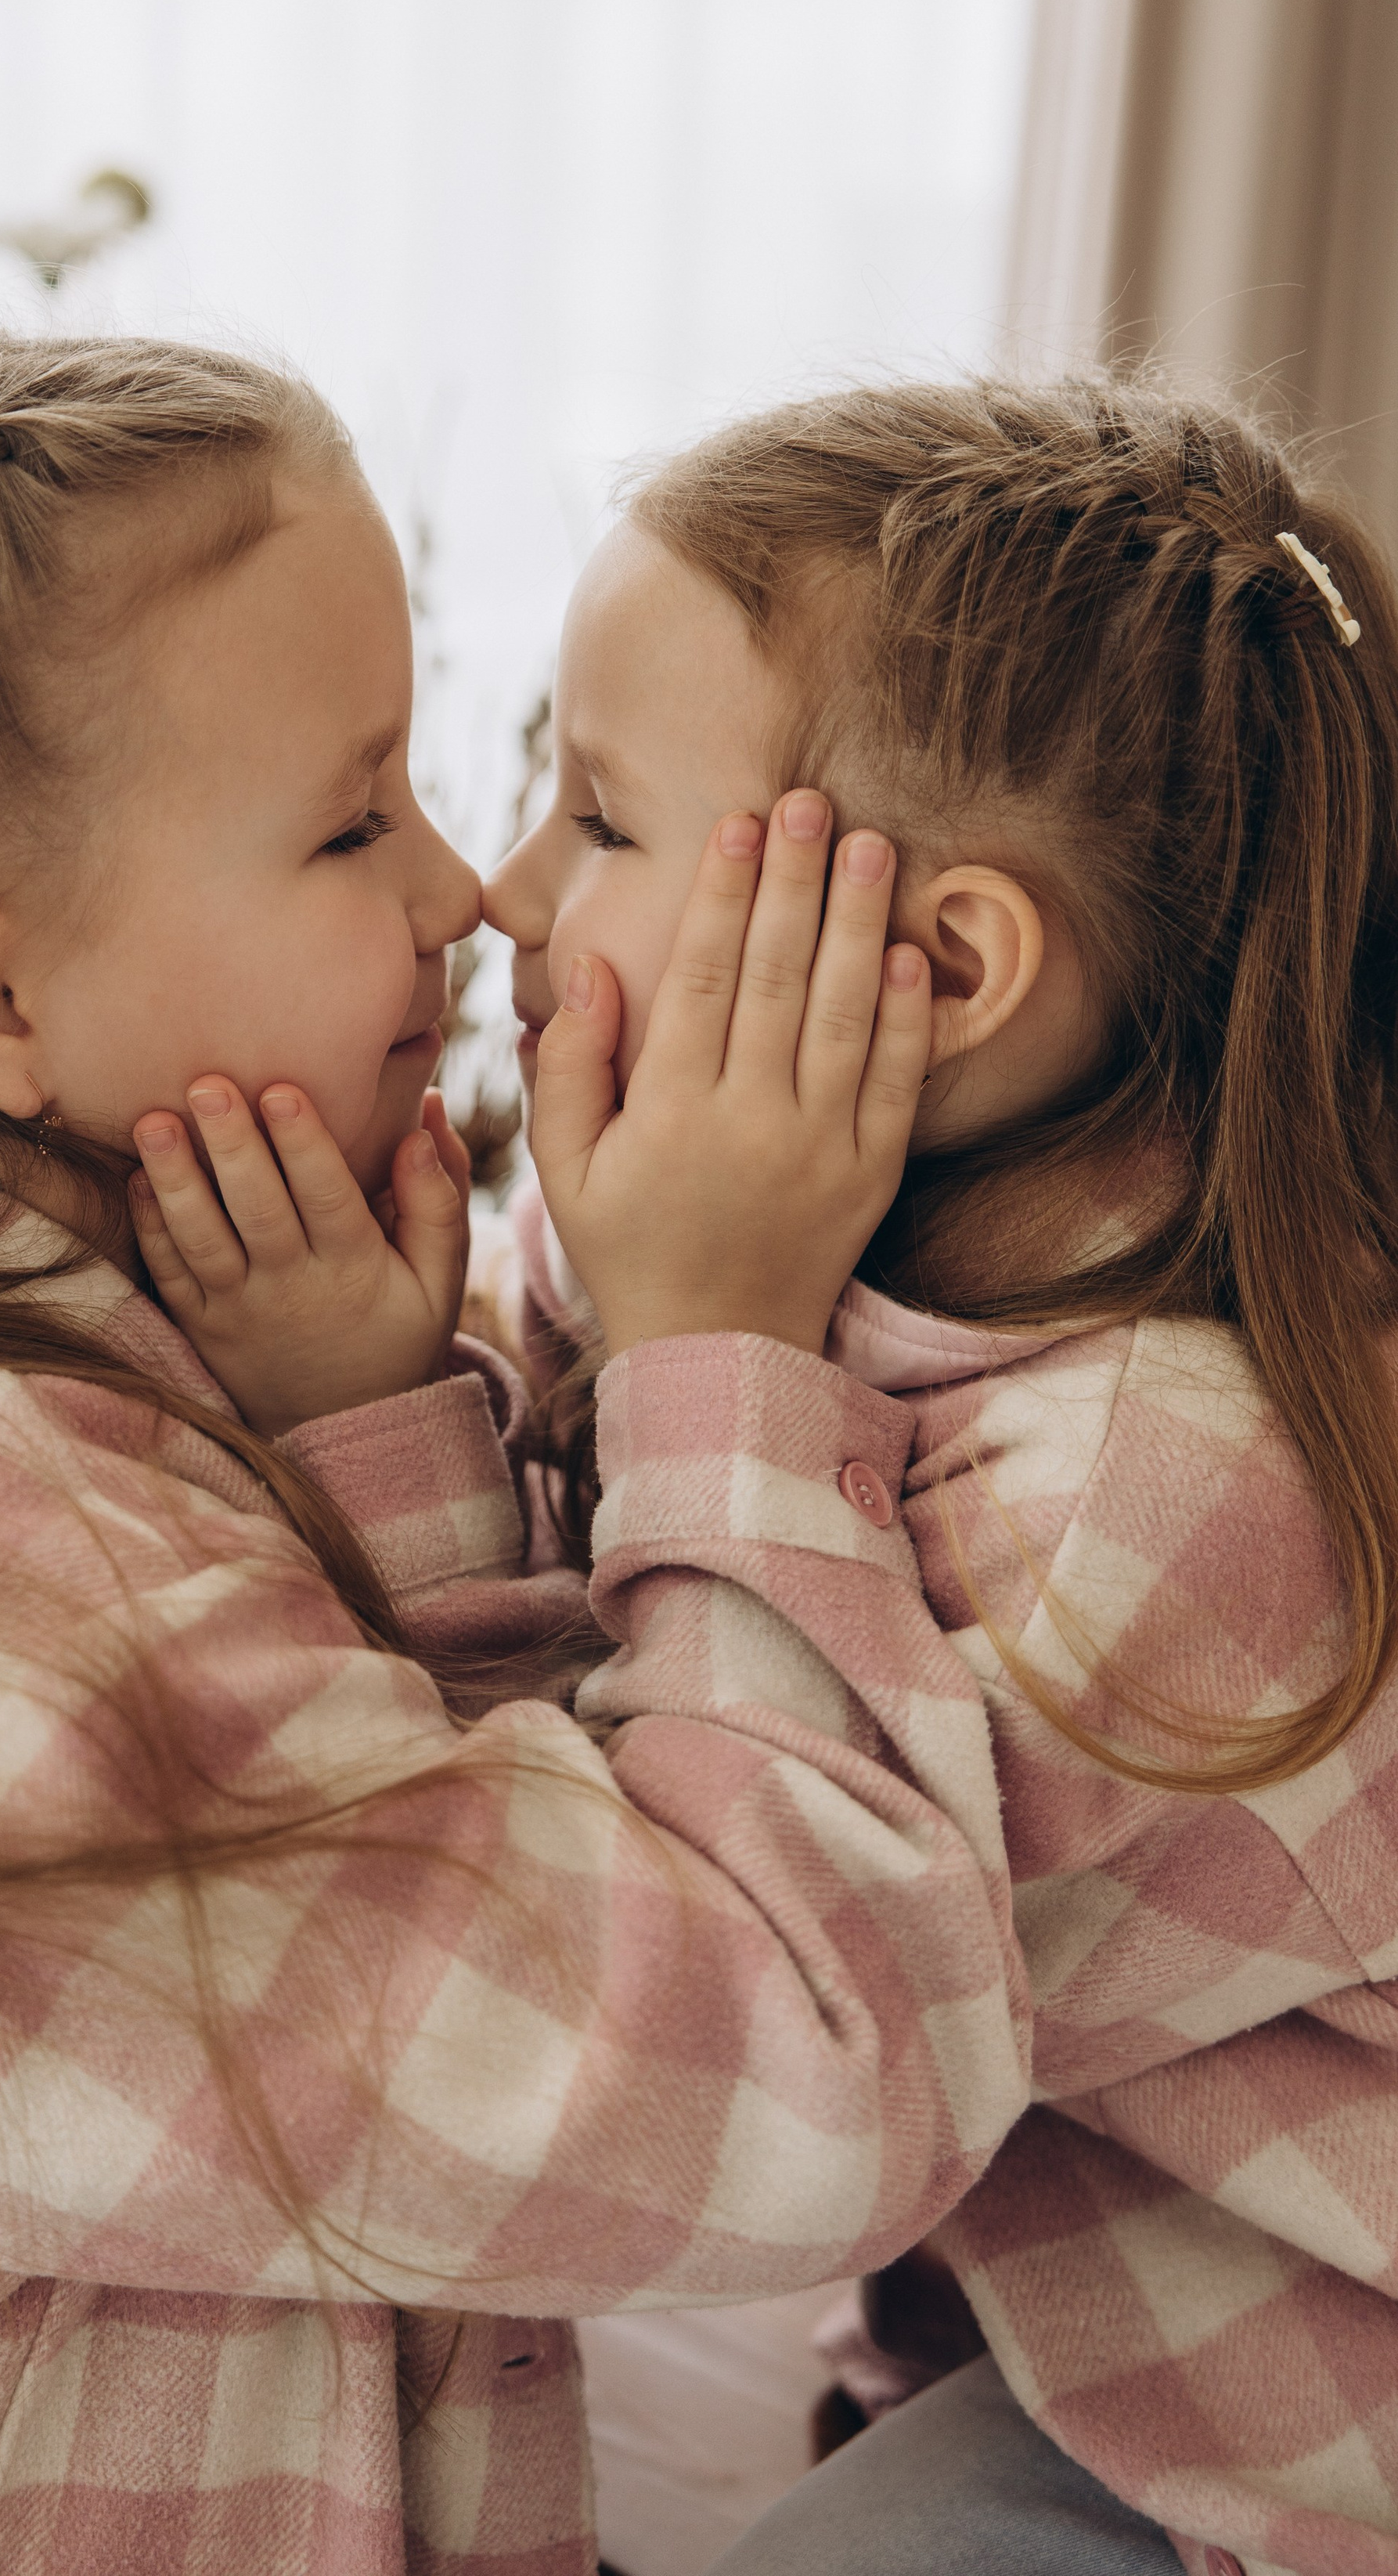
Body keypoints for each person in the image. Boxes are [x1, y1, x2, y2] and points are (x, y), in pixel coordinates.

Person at [0, 329, 1017, 2575]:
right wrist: (725, 1351)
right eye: (355, 815)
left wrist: (372, 1444)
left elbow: (418, 1909)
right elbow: (808, 2089)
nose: (465, 892)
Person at [477, 377, 1398, 2575]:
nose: (502, 881)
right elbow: (548, 1641)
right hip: (1057, 2307)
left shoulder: (1158, 1506)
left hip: (1306, 2449)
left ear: (944, 971)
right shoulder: (766, 1247)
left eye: (597, 817)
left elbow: (677, 2042)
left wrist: (698, 1346)